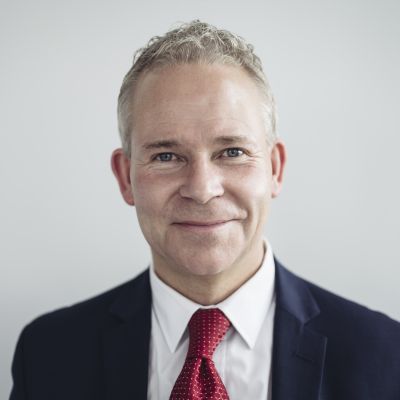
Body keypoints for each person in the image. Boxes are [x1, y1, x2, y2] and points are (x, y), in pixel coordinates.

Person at [9, 20, 400, 400]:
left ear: (274, 169)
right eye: (166, 156)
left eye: (232, 152)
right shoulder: (47, 354)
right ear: (125, 177)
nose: (201, 190)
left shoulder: (385, 356)